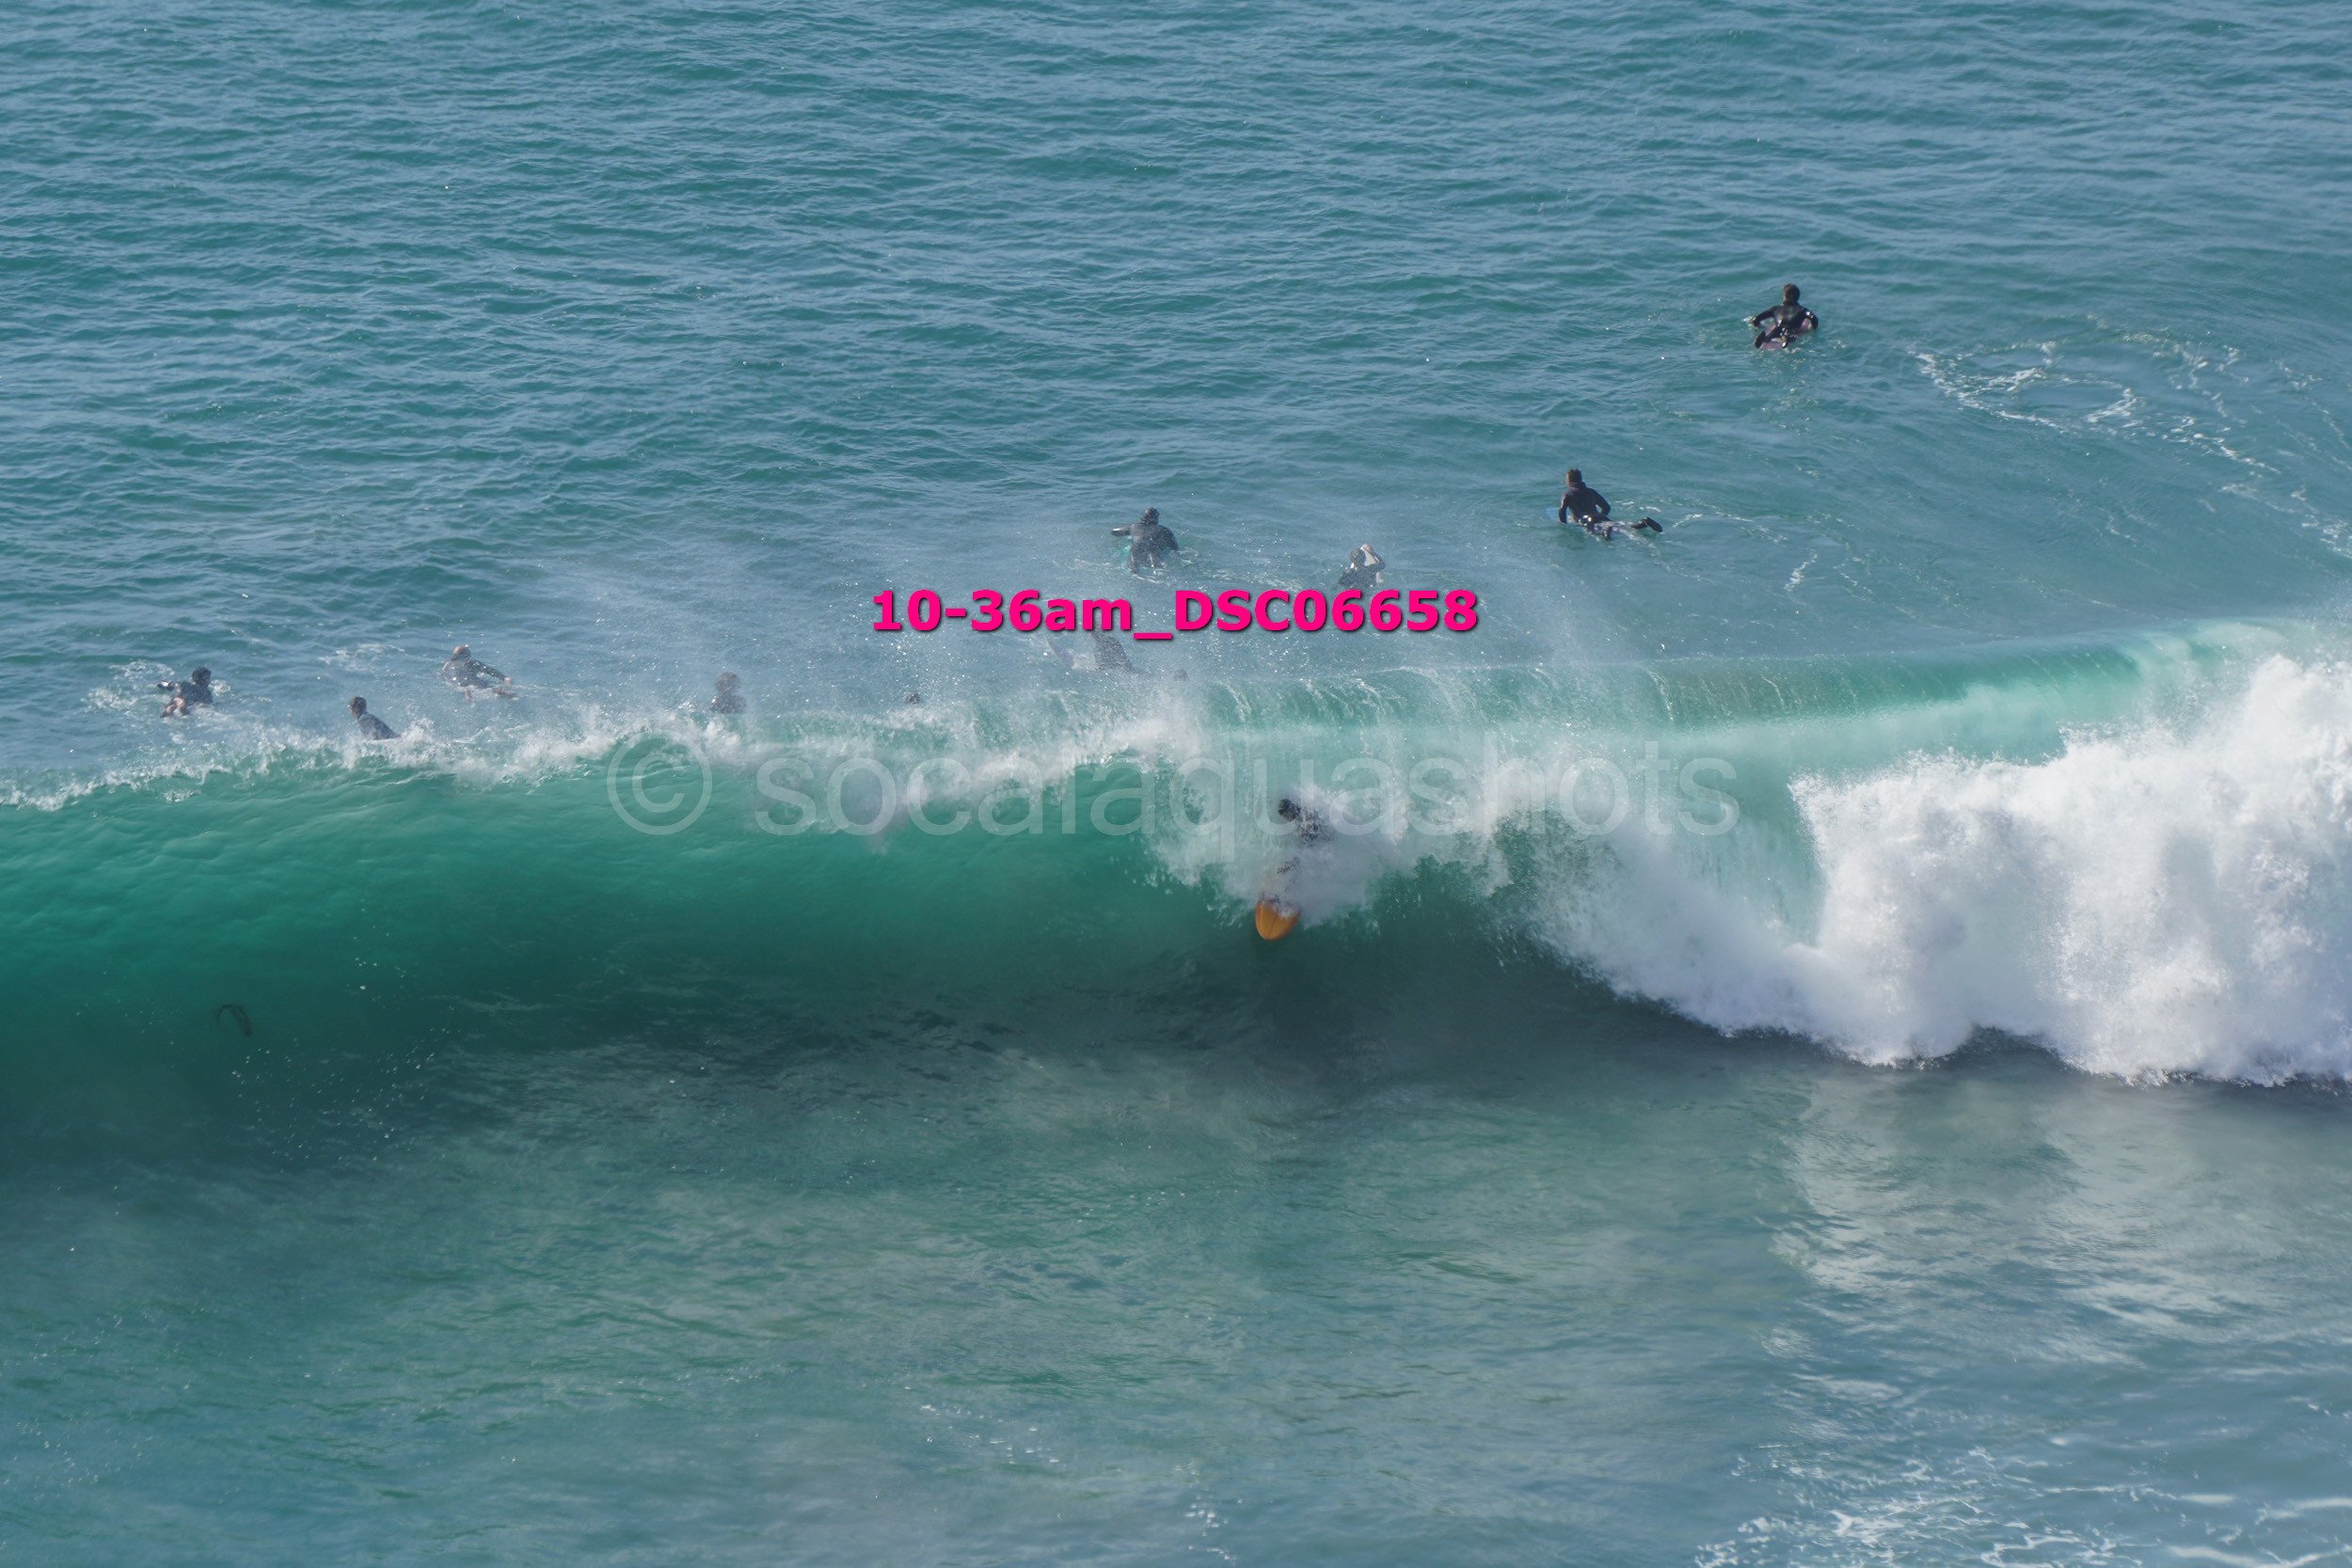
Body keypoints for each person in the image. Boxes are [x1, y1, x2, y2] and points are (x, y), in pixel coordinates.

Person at [1557, 469, 1662, 541]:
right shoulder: (1591, 491)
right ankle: (1643, 523)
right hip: (1601, 517)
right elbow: (1606, 507)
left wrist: (1564, 524)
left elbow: (1562, 511)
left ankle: (1605, 531)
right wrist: (1599, 516)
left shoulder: (1567, 494)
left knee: (1598, 531)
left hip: (1587, 520)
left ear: (1569, 481)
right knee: (1623, 528)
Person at [1110, 507, 1180, 572]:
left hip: (1136, 548)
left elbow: (1113, 532)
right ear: (1155, 518)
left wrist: (1130, 533)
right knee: (1159, 571)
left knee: (1134, 571)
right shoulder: (1163, 530)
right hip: (1153, 549)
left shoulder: (1134, 527)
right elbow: (1174, 547)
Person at [1750, 283, 1819, 348]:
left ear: (1787, 296)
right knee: (1791, 336)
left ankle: (1764, 339)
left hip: (1777, 329)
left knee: (1770, 337)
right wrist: (1809, 330)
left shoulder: (1775, 309)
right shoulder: (1802, 310)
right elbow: (1814, 319)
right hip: (1792, 330)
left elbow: (1755, 320)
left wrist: (1762, 327)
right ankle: (1785, 339)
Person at [441, 644, 514, 700]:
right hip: (473, 682)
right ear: (464, 655)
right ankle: (505, 694)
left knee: (464, 687)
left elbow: (443, 675)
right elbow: (489, 670)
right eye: (468, 653)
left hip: (457, 684)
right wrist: (504, 678)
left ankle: (466, 692)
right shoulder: (470, 661)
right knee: (490, 687)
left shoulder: (447, 664)